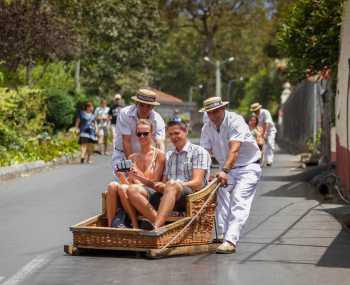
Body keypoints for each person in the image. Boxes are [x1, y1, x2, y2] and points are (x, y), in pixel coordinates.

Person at [200, 97, 262, 254]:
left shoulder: (236, 120)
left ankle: (230, 240)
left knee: (239, 200)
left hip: (247, 167)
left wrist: (224, 171)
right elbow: (204, 154)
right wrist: (203, 174)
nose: (213, 116)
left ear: (222, 109)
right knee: (220, 194)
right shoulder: (207, 127)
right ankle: (221, 234)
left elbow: (234, 149)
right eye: (209, 113)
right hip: (226, 169)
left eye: (215, 111)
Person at [127, 120, 211, 231]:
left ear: (185, 132)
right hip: (167, 194)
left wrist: (175, 185)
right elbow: (164, 181)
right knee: (132, 190)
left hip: (190, 197)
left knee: (171, 184)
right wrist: (149, 181)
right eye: (170, 134)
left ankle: (156, 226)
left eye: (177, 133)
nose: (173, 137)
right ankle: (158, 222)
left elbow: (198, 182)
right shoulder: (170, 155)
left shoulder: (198, 151)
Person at [105, 119, 165, 228]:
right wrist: (121, 176)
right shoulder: (132, 157)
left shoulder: (159, 155)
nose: (142, 137)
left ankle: (135, 224)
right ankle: (110, 227)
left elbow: (155, 183)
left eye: (145, 134)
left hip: (150, 192)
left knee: (124, 188)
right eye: (139, 134)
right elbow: (129, 182)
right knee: (112, 185)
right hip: (133, 189)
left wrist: (137, 173)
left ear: (151, 134)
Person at [112, 88, 165, 172]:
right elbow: (126, 142)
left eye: (148, 106)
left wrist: (160, 163)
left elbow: (159, 143)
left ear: (153, 107)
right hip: (122, 155)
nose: (145, 109)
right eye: (142, 105)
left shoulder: (157, 120)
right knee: (122, 183)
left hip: (145, 158)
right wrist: (133, 165)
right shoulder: (125, 114)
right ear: (136, 103)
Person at [250, 102, 277, 166]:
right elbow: (254, 123)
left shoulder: (265, 112)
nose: (256, 111)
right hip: (260, 131)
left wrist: (265, 134)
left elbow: (267, 124)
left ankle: (269, 161)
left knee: (270, 144)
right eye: (254, 110)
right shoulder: (254, 114)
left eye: (256, 110)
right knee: (261, 146)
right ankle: (261, 160)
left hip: (269, 131)